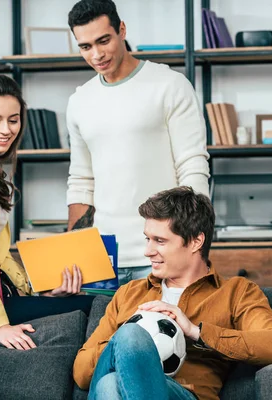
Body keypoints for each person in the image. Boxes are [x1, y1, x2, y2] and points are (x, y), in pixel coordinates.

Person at [73, 186, 272, 400]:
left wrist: (195, 331)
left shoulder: (236, 292)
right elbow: (82, 374)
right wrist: (123, 341)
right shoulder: (129, 293)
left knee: (110, 385)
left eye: (160, 241)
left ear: (196, 241)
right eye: (147, 239)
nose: (148, 251)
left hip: (185, 394)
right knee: (122, 355)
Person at [0, 73, 94, 351]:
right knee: (95, 304)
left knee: (84, 299)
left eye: (13, 119)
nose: (6, 130)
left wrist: (41, 291)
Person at [65, 0, 211, 285]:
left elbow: (192, 166)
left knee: (166, 330)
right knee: (102, 332)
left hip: (165, 256)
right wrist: (75, 251)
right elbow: (81, 180)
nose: (96, 54)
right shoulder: (79, 101)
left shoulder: (170, 85)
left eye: (103, 40)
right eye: (85, 47)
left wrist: (196, 246)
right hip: (102, 260)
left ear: (121, 29)